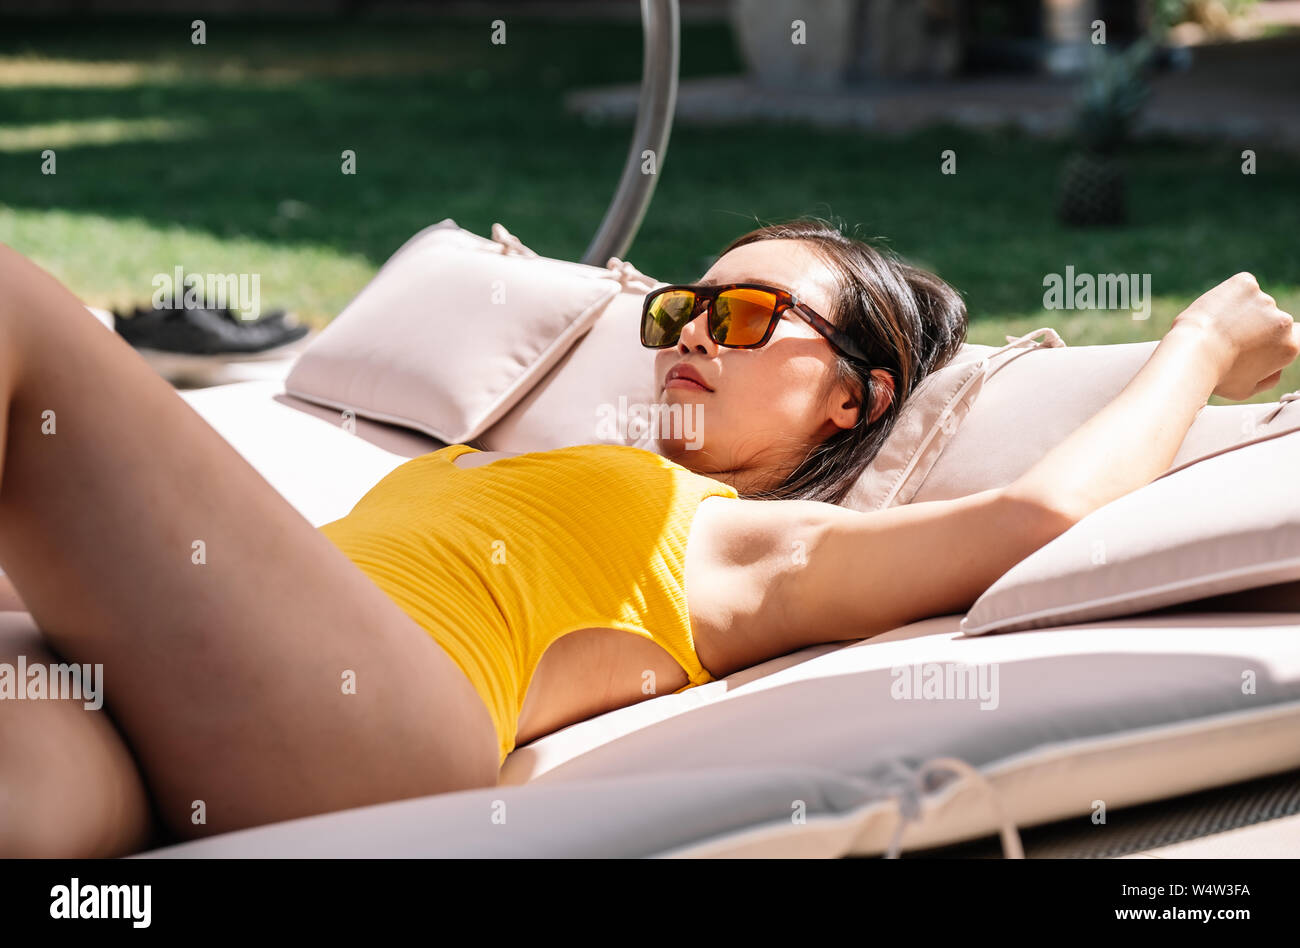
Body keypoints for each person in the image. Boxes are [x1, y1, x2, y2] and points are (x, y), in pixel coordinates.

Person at [0, 218, 1295, 858]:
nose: (690, 333)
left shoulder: (738, 542)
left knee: (19, 306)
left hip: (369, 726)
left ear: (854, 396)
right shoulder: (509, 462)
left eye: (746, 317)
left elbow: (1041, 518)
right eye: (685, 309)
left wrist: (1198, 348)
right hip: (191, 713)